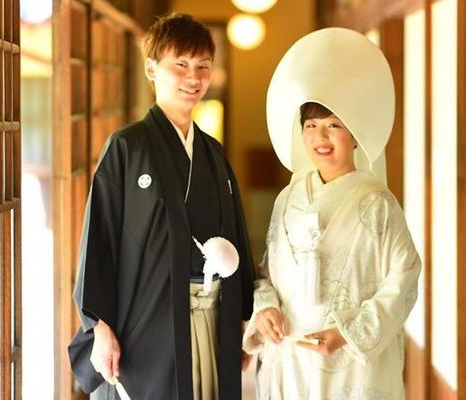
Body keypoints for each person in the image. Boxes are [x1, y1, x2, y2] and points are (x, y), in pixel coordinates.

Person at [68, 13, 254, 400]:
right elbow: (99, 240)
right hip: (145, 325)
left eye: (203, 66)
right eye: (180, 64)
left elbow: (235, 239)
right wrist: (99, 327)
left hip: (210, 320)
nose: (193, 78)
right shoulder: (127, 147)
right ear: (151, 68)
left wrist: (239, 322)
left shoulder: (213, 154)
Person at [242, 28, 421, 399]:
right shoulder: (287, 198)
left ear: (354, 135)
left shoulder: (378, 203)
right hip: (291, 357)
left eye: (333, 126)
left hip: (350, 364)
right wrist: (266, 308)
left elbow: (404, 277)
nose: (320, 138)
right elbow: (266, 273)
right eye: (311, 126)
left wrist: (348, 333)